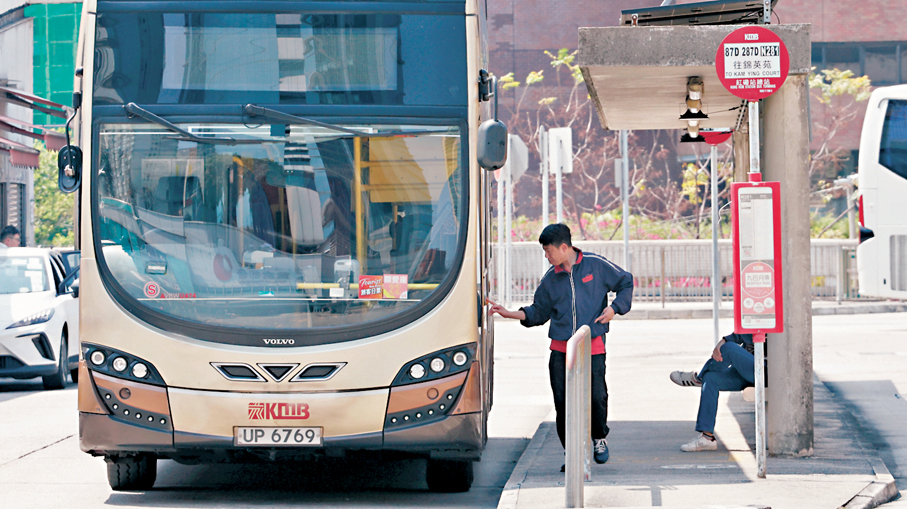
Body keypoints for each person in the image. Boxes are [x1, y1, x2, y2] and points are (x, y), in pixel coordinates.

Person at [489, 223, 633, 470]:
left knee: (597, 397)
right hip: (561, 351)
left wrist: (614, 308)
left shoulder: (596, 266)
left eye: (548, 251)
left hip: (592, 345)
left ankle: (598, 438)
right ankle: (573, 453)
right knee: (563, 403)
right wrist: (511, 314)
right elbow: (539, 311)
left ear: (564, 247)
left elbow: (626, 282)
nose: (547, 256)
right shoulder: (550, 279)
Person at [669, 332, 758, 452]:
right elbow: (742, 333)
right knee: (711, 379)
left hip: (767, 373)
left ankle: (698, 378)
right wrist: (723, 341)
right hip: (746, 372)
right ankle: (707, 438)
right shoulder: (758, 320)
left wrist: (725, 343)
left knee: (729, 348)